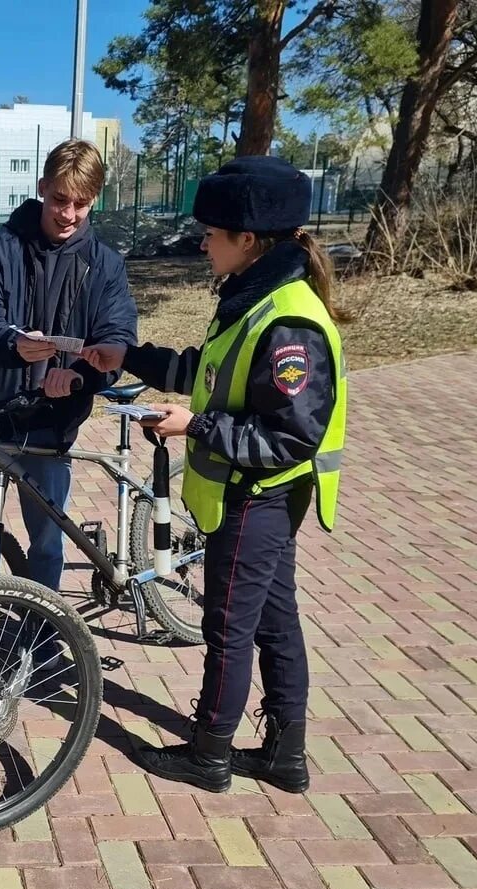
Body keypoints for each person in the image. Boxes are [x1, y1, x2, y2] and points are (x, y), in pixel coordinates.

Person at [82, 155, 347, 794]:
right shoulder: (251, 300)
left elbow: (289, 437)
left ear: (248, 241)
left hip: (256, 497)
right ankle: (286, 754)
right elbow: (212, 373)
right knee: (275, 621)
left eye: (212, 233)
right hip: (252, 497)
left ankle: (209, 753)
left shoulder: (288, 321)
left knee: (227, 625)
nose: (202, 242)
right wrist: (132, 357)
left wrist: (192, 427)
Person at [0, 138, 138, 593]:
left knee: (45, 541)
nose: (68, 213)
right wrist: (13, 343)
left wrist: (80, 376)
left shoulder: (105, 264)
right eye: (59, 199)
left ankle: (42, 636)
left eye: (81, 203)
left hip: (52, 422)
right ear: (42, 187)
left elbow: (116, 338)